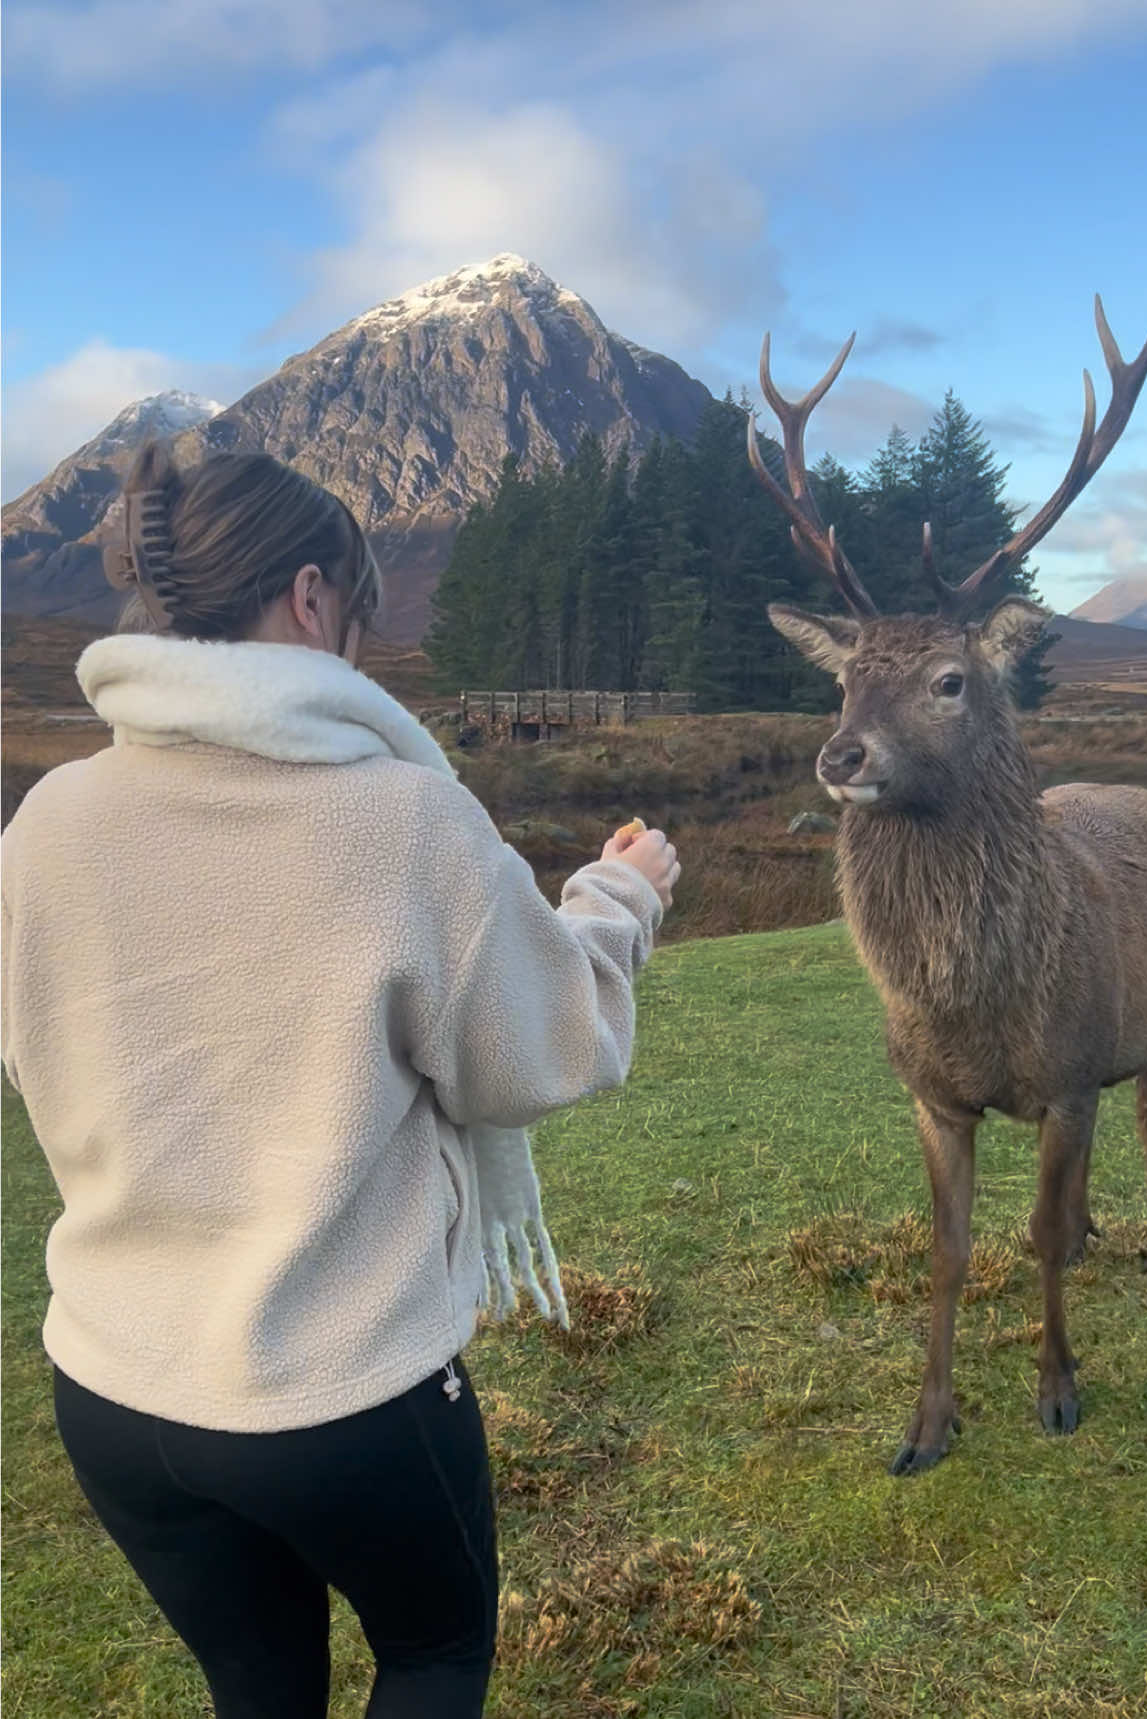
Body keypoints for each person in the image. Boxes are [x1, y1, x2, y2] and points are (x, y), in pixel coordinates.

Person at [0, 441, 680, 1719]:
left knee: (259, 1690)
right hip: (337, 1391)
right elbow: (544, 1045)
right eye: (358, 617)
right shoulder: (400, 821)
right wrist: (619, 900)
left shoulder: (47, 822)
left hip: (111, 1386)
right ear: (312, 599)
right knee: (432, 1657)